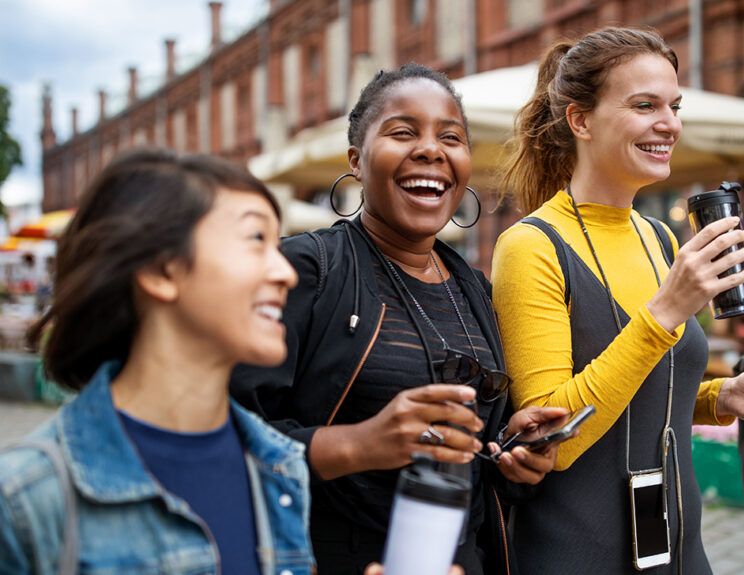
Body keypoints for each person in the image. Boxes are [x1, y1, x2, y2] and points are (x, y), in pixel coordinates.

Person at [230, 63, 566, 575]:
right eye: (403, 132)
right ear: (356, 162)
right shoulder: (303, 271)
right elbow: (226, 437)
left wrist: (514, 461)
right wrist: (359, 445)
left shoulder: (475, 291)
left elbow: (478, 469)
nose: (432, 150)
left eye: (450, 137)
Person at [491, 27, 744, 574]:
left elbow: (649, 384)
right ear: (580, 120)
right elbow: (551, 438)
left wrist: (721, 396)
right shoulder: (530, 246)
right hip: (577, 551)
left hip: (677, 544)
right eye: (644, 105)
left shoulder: (658, 236)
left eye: (674, 106)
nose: (669, 124)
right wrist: (665, 312)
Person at [0, 150, 315, 574]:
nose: (286, 273)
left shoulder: (279, 468)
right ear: (160, 270)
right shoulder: (26, 497)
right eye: (257, 240)